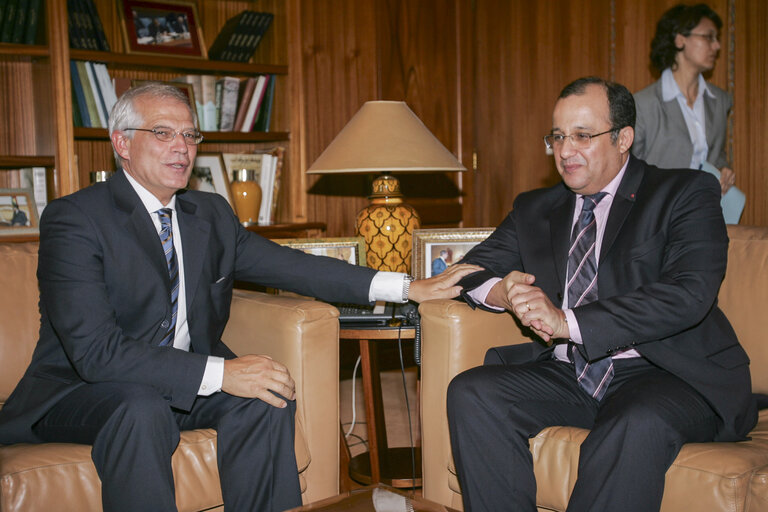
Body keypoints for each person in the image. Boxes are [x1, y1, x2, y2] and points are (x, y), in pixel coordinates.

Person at [0, 83, 480, 512]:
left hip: (177, 384)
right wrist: (223, 372)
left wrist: (405, 288)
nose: (182, 148)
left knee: (266, 393)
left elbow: (295, 266)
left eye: (190, 136)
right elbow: (96, 354)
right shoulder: (76, 219)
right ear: (122, 143)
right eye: (163, 133)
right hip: (83, 392)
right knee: (142, 407)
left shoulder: (207, 214)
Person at [446, 76, 757, 512]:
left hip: (666, 373)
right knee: (473, 392)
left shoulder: (683, 194)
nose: (565, 150)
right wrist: (503, 291)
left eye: (582, 136)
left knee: (633, 421)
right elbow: (465, 272)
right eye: (557, 136)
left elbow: (689, 293)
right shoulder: (535, 209)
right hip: (571, 374)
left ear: (623, 138)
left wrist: (566, 323)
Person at [632, 3, 735, 196]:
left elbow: (716, 154)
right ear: (680, 40)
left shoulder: (720, 100)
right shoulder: (643, 104)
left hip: (705, 209)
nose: (717, 46)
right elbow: (629, 170)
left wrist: (723, 169)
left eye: (717, 38)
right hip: (658, 215)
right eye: (708, 37)